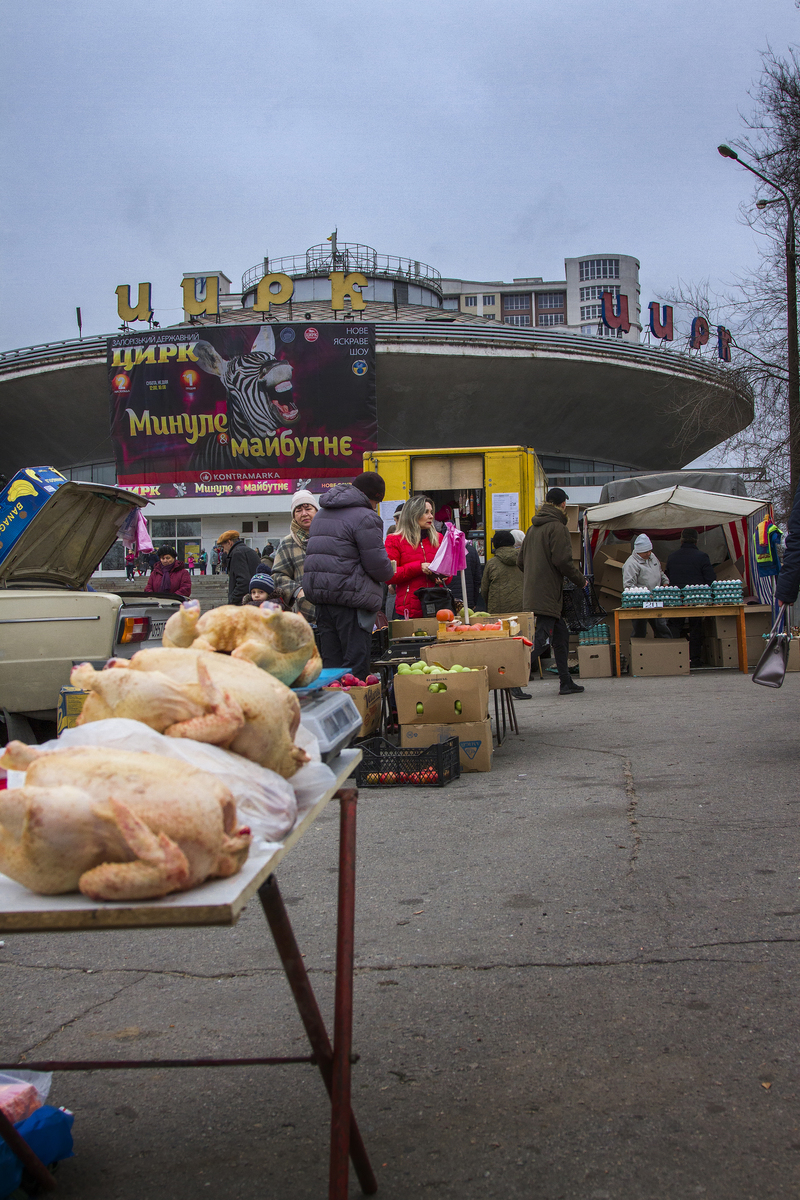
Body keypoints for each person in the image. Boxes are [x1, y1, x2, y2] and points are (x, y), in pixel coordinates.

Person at [303, 472, 394, 681]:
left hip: (323, 601)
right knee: (355, 667)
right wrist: (390, 572)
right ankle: (357, 710)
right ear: (373, 497)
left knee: (332, 667)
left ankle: (334, 710)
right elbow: (377, 564)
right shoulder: (366, 516)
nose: (375, 507)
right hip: (351, 601)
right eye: (376, 502)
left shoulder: (323, 513)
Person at [518, 487, 587, 695]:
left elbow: (520, 562)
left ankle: (566, 681)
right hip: (548, 594)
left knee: (561, 636)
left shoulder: (532, 529)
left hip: (534, 592)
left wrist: (536, 576)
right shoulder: (558, 527)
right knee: (540, 641)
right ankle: (512, 681)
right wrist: (580, 580)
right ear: (563, 504)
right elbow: (562, 561)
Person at [385, 495, 448, 619]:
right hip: (408, 611)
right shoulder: (394, 540)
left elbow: (448, 576)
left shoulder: (439, 538)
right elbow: (389, 576)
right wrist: (419, 567)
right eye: (425, 512)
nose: (431, 516)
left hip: (437, 606)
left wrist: (441, 576)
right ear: (413, 514)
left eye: (431, 512)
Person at [666, 529, 715, 666]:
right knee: (695, 627)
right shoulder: (702, 556)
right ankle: (695, 659)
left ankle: (675, 658)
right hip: (696, 599)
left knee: (675, 627)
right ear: (696, 541)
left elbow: (667, 577)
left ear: (681, 540)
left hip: (676, 599)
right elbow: (711, 579)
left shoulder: (672, 557)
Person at [272, 491, 319, 621]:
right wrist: (297, 591)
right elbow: (277, 576)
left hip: (335, 609)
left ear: (316, 510)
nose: (304, 513)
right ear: (293, 515)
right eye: (298, 510)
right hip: (304, 615)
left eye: (308, 508)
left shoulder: (330, 535)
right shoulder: (288, 543)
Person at [623, 534, 673, 640]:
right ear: (638, 551)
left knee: (661, 626)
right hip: (641, 603)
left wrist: (665, 582)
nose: (648, 553)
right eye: (646, 552)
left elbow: (659, 572)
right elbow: (628, 585)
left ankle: (668, 648)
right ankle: (638, 650)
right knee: (639, 629)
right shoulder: (631, 564)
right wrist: (643, 595)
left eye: (650, 550)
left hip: (656, 600)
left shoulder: (652, 557)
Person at [216, 530, 261, 607]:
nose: (224, 551)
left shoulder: (237, 553)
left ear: (229, 543)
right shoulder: (249, 551)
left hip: (242, 603)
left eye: (223, 547)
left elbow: (243, 581)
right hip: (254, 600)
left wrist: (232, 601)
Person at [450, 540, 484, 613]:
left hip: (448, 600)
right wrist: (474, 601)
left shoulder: (442, 550)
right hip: (467, 599)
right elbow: (477, 579)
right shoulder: (472, 550)